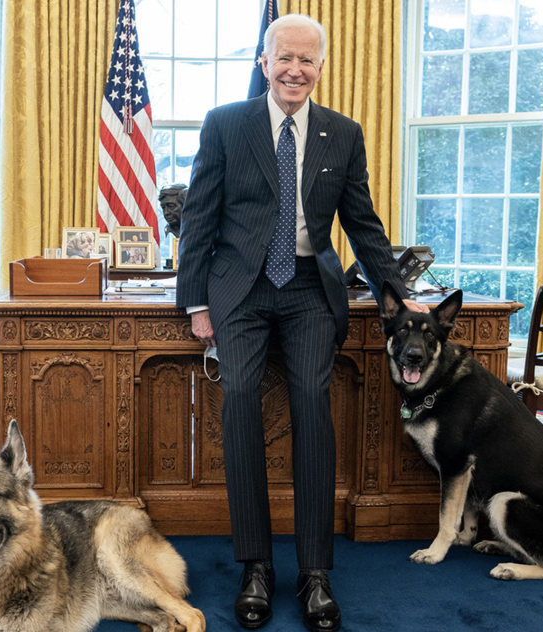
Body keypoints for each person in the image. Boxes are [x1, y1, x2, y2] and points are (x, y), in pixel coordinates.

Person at [176, 14, 426, 632]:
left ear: (320, 67)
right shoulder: (226, 125)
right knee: (239, 398)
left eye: (307, 60)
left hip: (312, 290)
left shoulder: (343, 134)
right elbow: (200, 218)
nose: (295, 70)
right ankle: (255, 566)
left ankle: (315, 573)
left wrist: (397, 289)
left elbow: (363, 225)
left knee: (313, 400)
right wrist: (197, 303)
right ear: (265, 62)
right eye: (284, 58)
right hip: (240, 291)